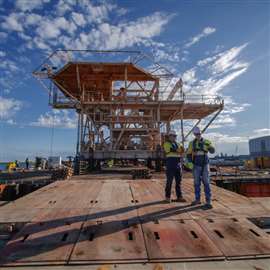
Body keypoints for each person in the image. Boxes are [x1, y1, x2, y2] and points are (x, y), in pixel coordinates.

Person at [187, 127, 215, 209]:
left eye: (198, 134)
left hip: (205, 163)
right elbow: (188, 154)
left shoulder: (206, 141)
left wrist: (210, 147)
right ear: (194, 134)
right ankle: (197, 199)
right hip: (196, 164)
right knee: (196, 183)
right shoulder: (191, 143)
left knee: (206, 182)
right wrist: (190, 164)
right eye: (196, 134)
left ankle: (208, 201)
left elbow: (212, 151)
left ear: (201, 133)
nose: (197, 135)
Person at [163, 130, 186, 203]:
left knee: (178, 182)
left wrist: (181, 150)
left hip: (177, 164)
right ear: (169, 136)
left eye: (175, 136)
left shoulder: (178, 144)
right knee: (169, 181)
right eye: (173, 136)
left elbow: (182, 150)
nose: (174, 137)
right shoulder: (166, 143)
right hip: (170, 164)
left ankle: (179, 197)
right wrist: (180, 150)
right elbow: (171, 150)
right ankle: (167, 197)